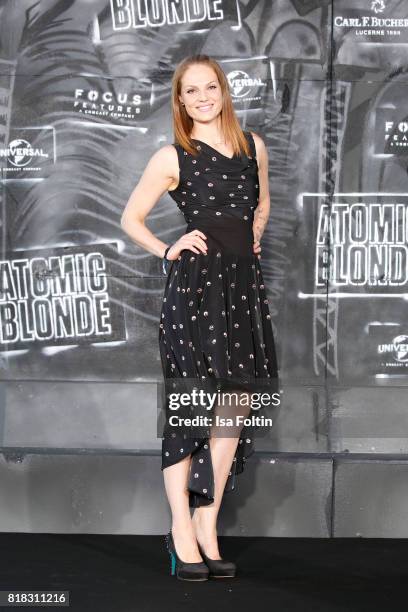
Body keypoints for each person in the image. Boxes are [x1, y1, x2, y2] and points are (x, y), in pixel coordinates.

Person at [121, 54, 279, 581]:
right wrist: (169, 249)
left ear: (222, 91)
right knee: (192, 405)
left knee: (235, 403)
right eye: (192, 91)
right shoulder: (173, 156)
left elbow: (263, 201)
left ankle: (207, 522)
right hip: (194, 291)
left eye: (210, 87)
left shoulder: (253, 145)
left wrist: (253, 236)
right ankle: (180, 529)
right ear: (181, 100)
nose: (203, 97)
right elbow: (131, 218)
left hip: (242, 290)